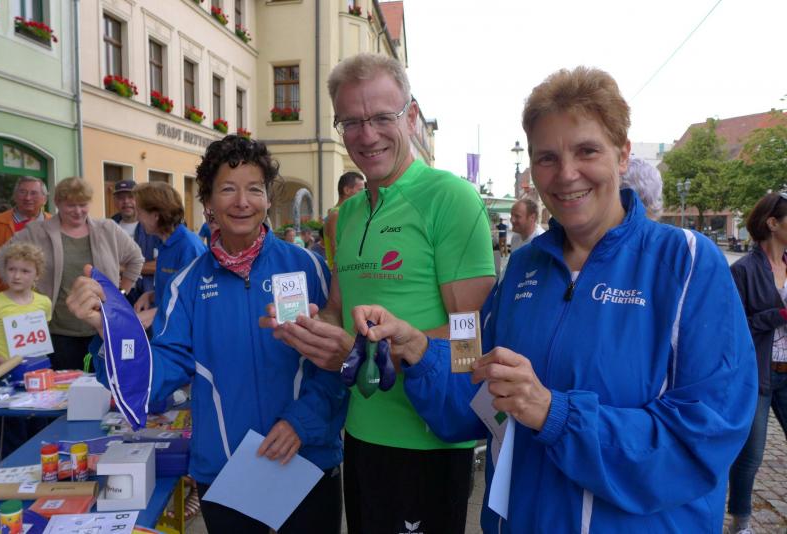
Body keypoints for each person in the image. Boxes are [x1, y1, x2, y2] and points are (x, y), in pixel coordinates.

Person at [349, 66, 757, 533]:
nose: (566, 174)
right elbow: (477, 390)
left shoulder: (687, 262)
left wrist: (554, 414)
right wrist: (420, 350)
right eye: (546, 157)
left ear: (623, 154)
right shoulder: (525, 266)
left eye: (587, 151)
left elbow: (707, 433)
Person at [262, 53, 495, 534]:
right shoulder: (346, 216)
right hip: (361, 433)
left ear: (411, 116)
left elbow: (471, 339)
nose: (366, 136)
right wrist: (307, 327)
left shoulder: (450, 198)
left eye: (381, 117)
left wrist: (360, 352)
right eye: (350, 122)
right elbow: (337, 309)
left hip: (428, 441)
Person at [67, 135, 347, 533]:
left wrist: (301, 423)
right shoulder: (187, 285)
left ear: (268, 199)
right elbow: (158, 374)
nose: (242, 201)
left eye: (255, 189)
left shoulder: (308, 267)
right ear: (208, 202)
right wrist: (108, 330)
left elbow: (336, 363)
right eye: (228, 189)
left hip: (307, 460)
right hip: (226, 471)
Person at [12, 177, 143, 370]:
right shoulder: (37, 232)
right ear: (57, 203)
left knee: (104, 382)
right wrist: (21, 292)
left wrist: (121, 293)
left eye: (83, 204)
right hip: (58, 331)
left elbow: (136, 259)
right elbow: (4, 260)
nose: (78, 211)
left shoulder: (108, 229)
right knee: (64, 385)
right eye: (71, 205)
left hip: (102, 328)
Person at [727, 192, 787, 534]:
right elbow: (735, 330)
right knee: (751, 455)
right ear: (773, 223)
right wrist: (778, 315)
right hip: (759, 374)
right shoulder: (743, 271)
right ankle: (741, 522)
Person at [0, 241, 52, 461]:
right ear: (4, 270)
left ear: (37, 274)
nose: (16, 276)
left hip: (37, 378)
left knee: (38, 434)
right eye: (12, 269)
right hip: (5, 380)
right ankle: (4, 476)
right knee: (10, 437)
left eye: (25, 271)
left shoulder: (43, 303)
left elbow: (42, 340)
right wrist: (9, 362)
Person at [130, 182, 205, 329]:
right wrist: (150, 295)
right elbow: (175, 291)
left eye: (139, 212)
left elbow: (196, 301)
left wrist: (155, 313)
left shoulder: (189, 247)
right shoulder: (165, 244)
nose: (137, 217)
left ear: (156, 216)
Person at [0, 177, 50, 298]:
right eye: (22, 192)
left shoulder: (54, 224)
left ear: (44, 199)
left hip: (44, 298)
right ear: (15, 196)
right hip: (3, 296)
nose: (28, 198)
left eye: (34, 193)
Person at [110, 180, 162, 305]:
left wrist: (124, 269)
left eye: (130, 197)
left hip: (145, 293)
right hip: (117, 292)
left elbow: (160, 265)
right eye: (121, 198)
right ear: (115, 201)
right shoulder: (109, 226)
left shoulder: (152, 226)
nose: (126, 201)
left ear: (139, 200)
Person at [323, 171, 365, 268]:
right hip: (342, 274)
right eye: (361, 190)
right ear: (347, 190)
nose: (364, 194)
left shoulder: (347, 213)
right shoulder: (336, 214)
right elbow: (337, 251)